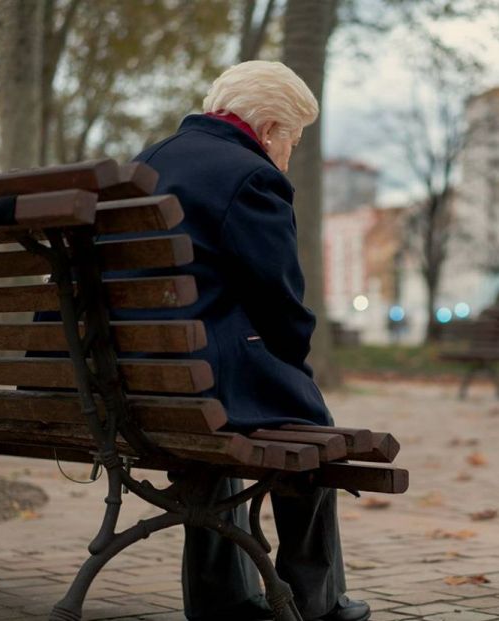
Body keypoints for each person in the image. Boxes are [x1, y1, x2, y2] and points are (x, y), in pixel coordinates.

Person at [131, 61, 371, 621]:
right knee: (309, 426)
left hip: (134, 380)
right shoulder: (251, 175)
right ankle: (315, 600)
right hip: (201, 380)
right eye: (292, 139)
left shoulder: (146, 162)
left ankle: (224, 601)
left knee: (212, 435)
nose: (288, 154)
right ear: (266, 129)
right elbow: (281, 304)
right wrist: (294, 356)